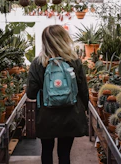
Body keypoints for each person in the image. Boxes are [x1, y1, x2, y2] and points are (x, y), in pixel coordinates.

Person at [26, 25, 89, 164]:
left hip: (46, 116)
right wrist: (85, 110)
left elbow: (30, 93)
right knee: (64, 154)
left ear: (45, 41)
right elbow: (83, 91)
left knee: (47, 151)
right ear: (64, 39)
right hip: (70, 114)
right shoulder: (74, 61)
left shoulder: (37, 63)